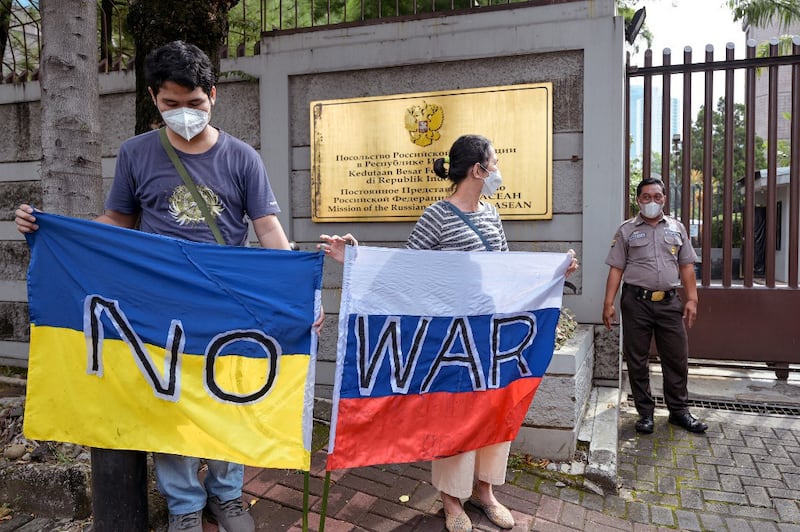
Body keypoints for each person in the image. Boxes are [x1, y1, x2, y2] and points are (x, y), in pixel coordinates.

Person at [15, 41, 311, 532]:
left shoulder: (242, 158)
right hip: (158, 306)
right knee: (167, 401)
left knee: (226, 398)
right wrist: (53, 229)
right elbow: (117, 219)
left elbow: (269, 232)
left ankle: (228, 495)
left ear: (212, 96)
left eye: (194, 103)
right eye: (171, 104)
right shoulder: (136, 153)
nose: (184, 113)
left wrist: (298, 293)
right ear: (154, 99)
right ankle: (184, 505)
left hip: (224, 304)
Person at [322, 134, 578, 532]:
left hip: (491, 334)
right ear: (478, 169)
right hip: (453, 337)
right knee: (455, 414)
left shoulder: (493, 214)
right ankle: (451, 500)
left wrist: (553, 274)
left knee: (494, 408)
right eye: (494, 162)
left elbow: (505, 271)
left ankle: (485, 491)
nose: (497, 169)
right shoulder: (436, 216)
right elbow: (404, 269)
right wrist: (355, 257)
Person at [602, 177, 707, 436]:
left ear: (664, 199)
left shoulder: (677, 227)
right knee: (637, 359)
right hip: (636, 303)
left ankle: (679, 411)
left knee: (676, 357)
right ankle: (645, 413)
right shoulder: (626, 230)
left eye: (657, 196)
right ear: (638, 200)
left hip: (669, 302)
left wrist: (692, 298)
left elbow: (686, 266)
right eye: (646, 197)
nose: (651, 201)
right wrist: (608, 303)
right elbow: (616, 268)